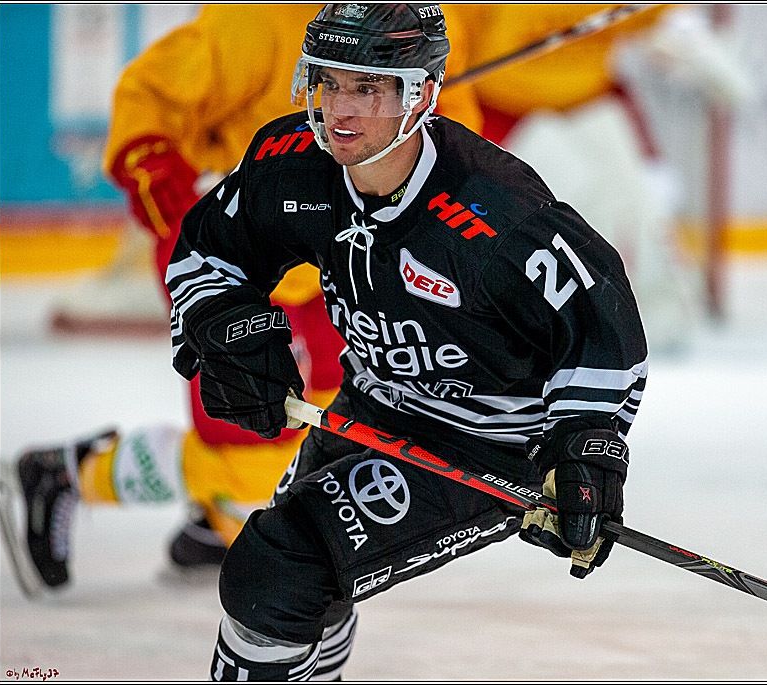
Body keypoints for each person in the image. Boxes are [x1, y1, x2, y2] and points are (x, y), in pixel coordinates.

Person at [164, 4, 648, 680]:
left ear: (421, 94)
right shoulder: (298, 169)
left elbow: (603, 325)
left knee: (270, 575)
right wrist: (229, 328)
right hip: (369, 406)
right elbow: (206, 252)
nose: (341, 109)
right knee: (304, 591)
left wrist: (586, 447)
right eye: (331, 82)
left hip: (480, 442)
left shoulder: (490, 211)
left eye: (369, 88)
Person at [0, 3, 484, 602]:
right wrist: (165, 184)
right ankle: (73, 475)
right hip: (239, 252)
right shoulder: (257, 22)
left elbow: (451, 138)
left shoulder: (420, 21)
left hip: (336, 252)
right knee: (255, 443)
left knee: (343, 417)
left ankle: (217, 522)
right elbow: (148, 95)